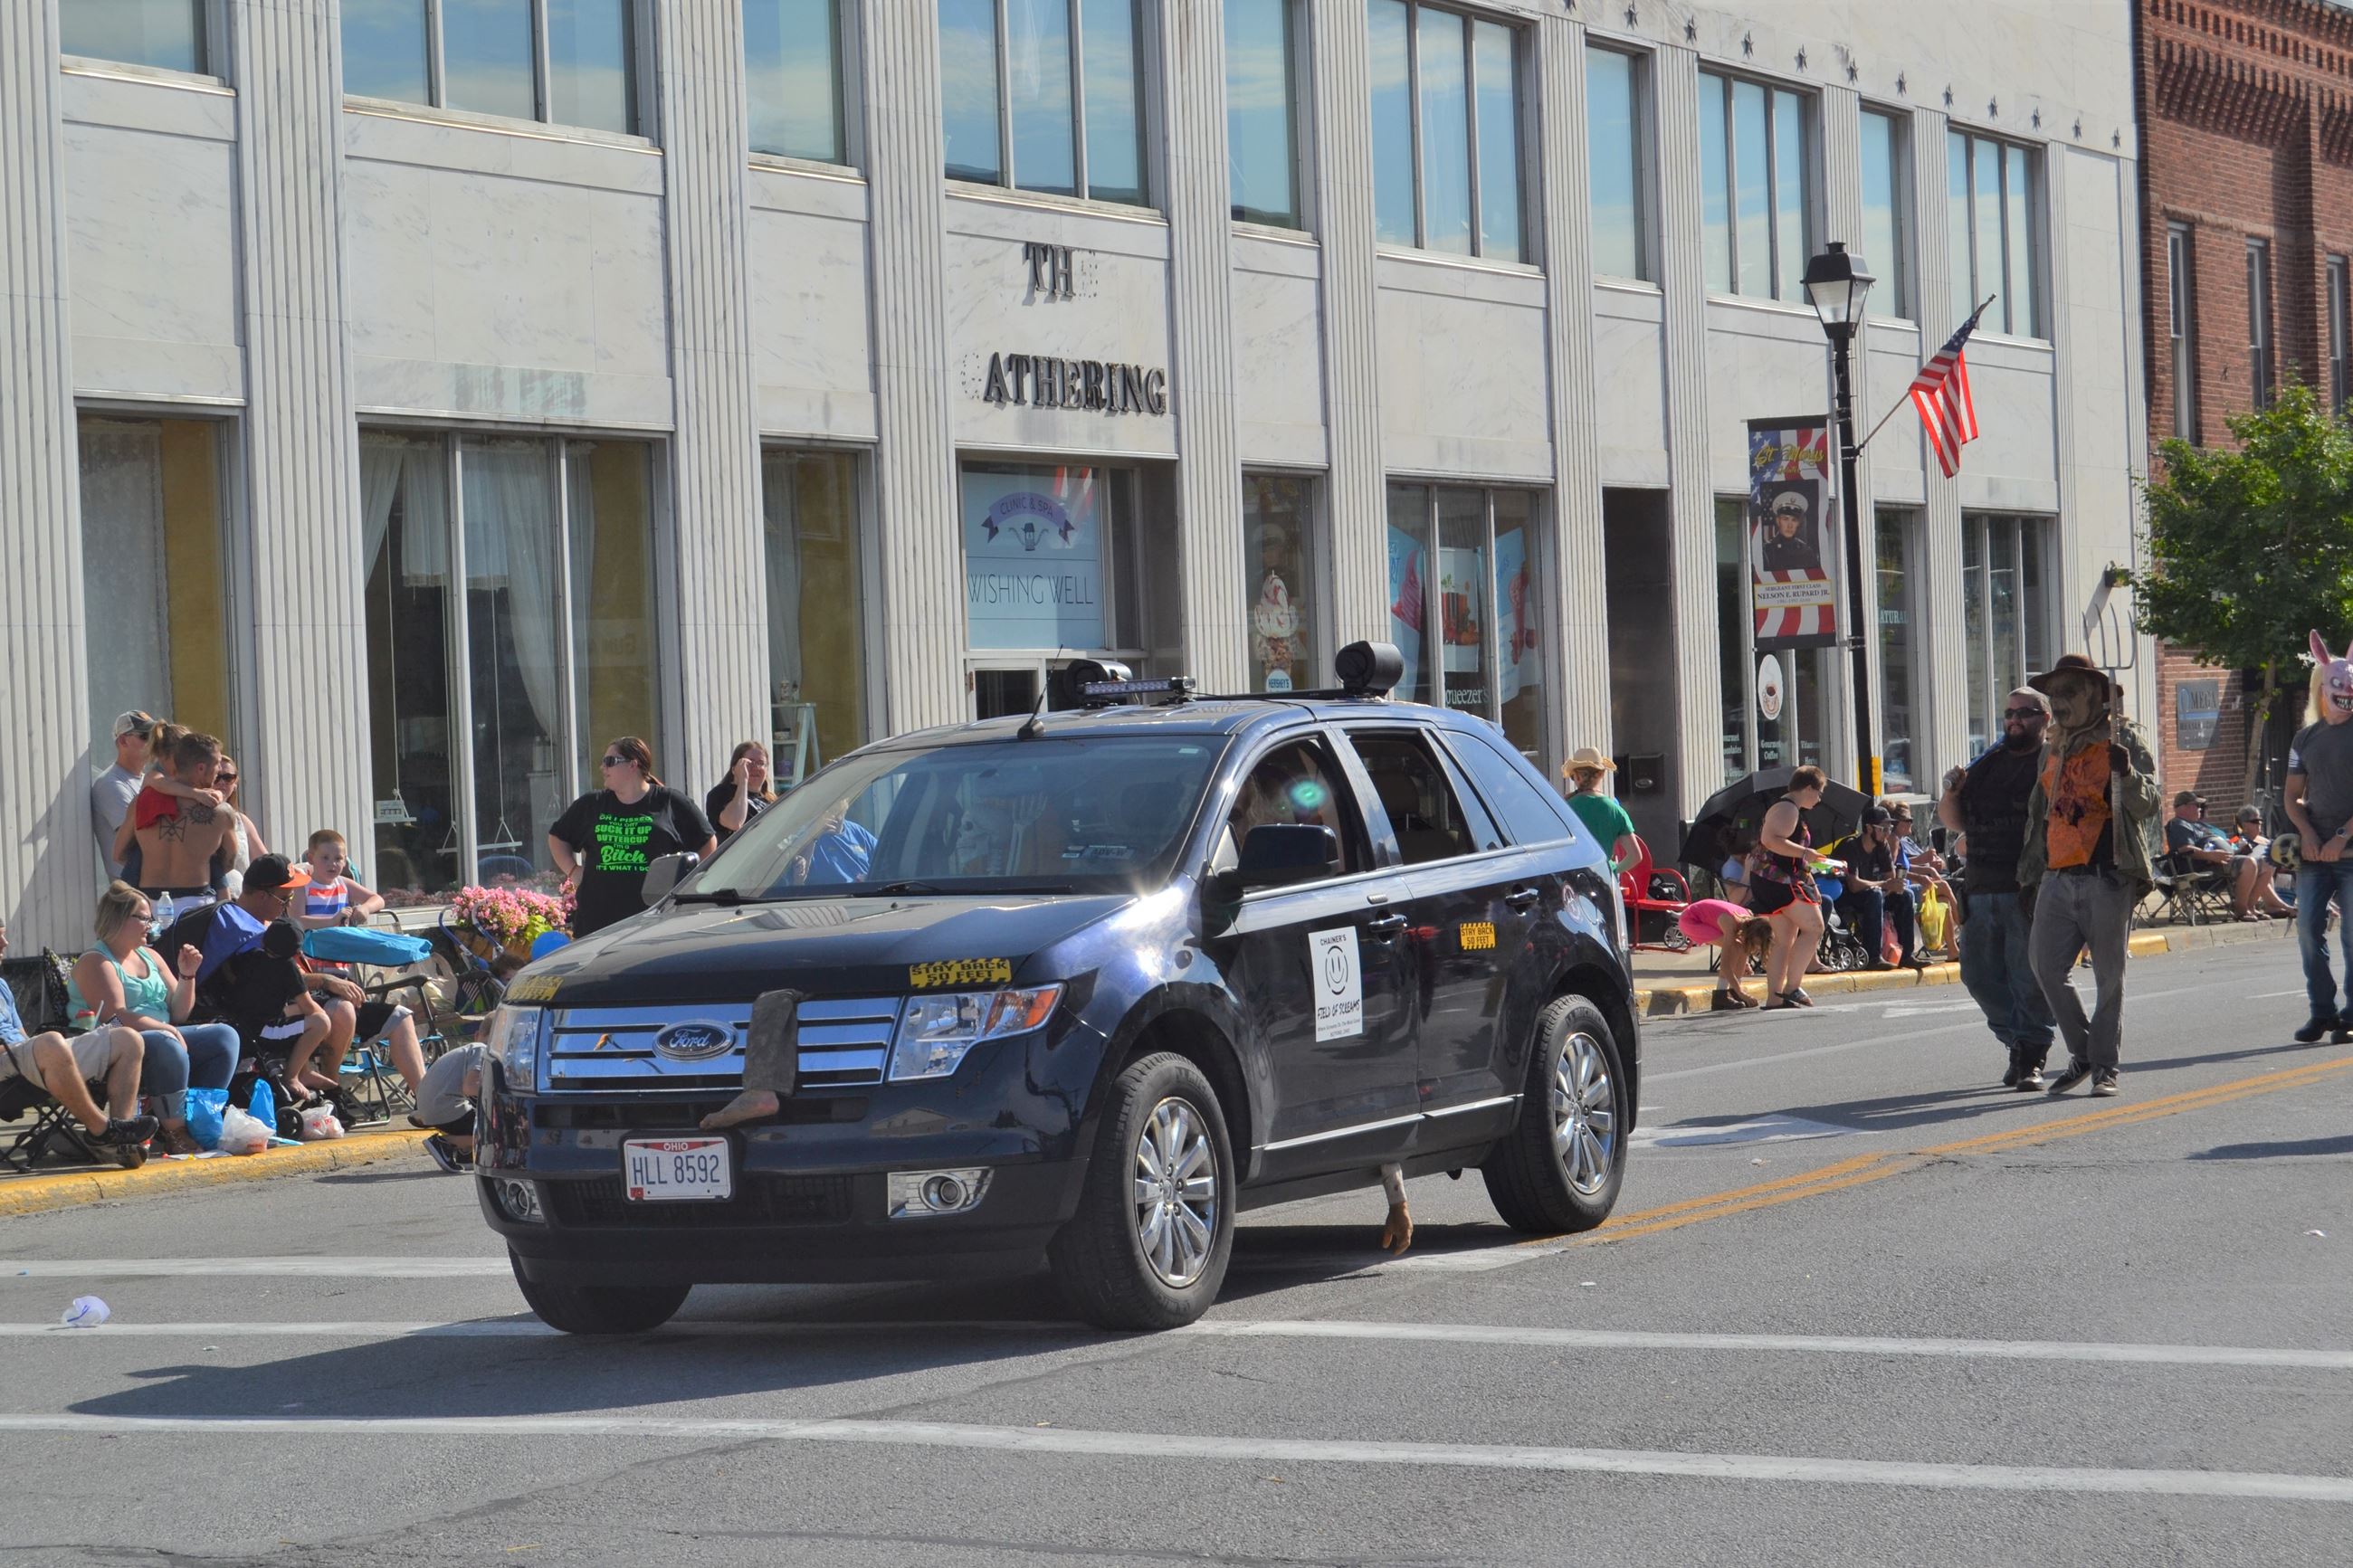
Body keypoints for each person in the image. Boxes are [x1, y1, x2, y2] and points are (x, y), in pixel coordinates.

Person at [2019, 654, 2160, 1098]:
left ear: (2097, 695)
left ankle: (2105, 1067)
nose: (2058, 703)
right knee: (2044, 966)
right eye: (2054, 694)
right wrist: (2029, 876)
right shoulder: (2052, 746)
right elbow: (2039, 814)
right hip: (2057, 875)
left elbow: (2150, 804)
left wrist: (2127, 772)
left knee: (2108, 977)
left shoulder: (2125, 738)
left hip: (2107, 873)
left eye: (2069, 693)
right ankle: (2083, 1052)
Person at [1939, 689, 2059, 1088]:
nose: (2014, 719)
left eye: (2023, 712)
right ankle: (2018, 1040)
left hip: (2028, 885)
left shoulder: (2053, 761)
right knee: (1978, 975)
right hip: (1981, 884)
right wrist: (1952, 792)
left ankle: (2031, 1051)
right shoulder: (1987, 763)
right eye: (2009, 713)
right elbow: (1956, 822)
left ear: (2044, 717)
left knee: (2027, 975)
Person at [65, 883, 240, 1156]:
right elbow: (117, 1017)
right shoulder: (96, 961)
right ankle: (175, 1132)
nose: (151, 924)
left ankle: (202, 1119)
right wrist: (166, 1028)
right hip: (115, 1042)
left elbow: (180, 1012)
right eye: (144, 917)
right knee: (165, 1042)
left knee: (224, 1036)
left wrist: (187, 975)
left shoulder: (151, 956)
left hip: (162, 1035)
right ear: (119, 918)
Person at [0, 916, 153, 1148]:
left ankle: (122, 1140)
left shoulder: (2, 986)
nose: (5, 943)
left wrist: (53, 1048)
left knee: (127, 1038)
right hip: (5, 1068)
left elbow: (23, 1038)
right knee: (51, 1041)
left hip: (25, 1059)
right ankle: (102, 1130)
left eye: (4, 935)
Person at [548, 736, 717, 938]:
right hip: (597, 922)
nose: (603, 767)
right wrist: (573, 870)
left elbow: (707, 842)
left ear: (633, 765)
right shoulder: (592, 804)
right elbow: (557, 837)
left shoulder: (669, 801)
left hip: (653, 922)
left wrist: (687, 883)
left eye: (610, 761)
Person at [2285, 630, 2353, 1043]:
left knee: (2352, 937)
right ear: (2322, 687)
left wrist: (2341, 836)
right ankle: (2322, 1012)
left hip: (2349, 851)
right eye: (2338, 682)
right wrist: (2308, 834)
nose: (2346, 689)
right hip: (2315, 854)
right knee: (2309, 932)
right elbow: (2292, 797)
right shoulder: (2303, 738)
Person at [115, 729, 235, 916]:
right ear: (201, 768)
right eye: (217, 765)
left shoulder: (141, 803)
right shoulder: (221, 812)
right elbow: (228, 862)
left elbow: (119, 854)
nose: (219, 771)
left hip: (147, 907)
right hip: (198, 906)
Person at [1750, 766, 1843, 1009]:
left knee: (1785, 939)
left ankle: (1774, 998)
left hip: (1771, 879)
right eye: (1819, 792)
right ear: (1809, 787)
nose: (1820, 798)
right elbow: (1771, 841)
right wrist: (1806, 853)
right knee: (1814, 927)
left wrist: (1808, 869)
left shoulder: (1788, 808)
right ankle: (1792, 987)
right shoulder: (1787, 809)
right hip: (1778, 880)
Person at [2166, 791, 2287, 920]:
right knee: (2249, 863)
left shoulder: (2201, 826)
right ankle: (2241, 910)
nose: (2200, 809)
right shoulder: (2179, 824)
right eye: (2196, 805)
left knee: (2267, 864)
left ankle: (2251, 907)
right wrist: (2210, 855)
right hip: (2203, 868)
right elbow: (2185, 849)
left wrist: (2236, 849)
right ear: (2183, 807)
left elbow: (2229, 841)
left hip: (2222, 861)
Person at [1837, 805, 1920, 970]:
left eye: (1889, 829)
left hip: (1872, 893)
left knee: (1906, 895)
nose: (1887, 833)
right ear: (1868, 828)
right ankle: (1873, 956)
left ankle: (1906, 955)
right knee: (1874, 895)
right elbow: (1853, 885)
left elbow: (1890, 878)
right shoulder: (1851, 846)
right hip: (1847, 897)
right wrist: (1883, 885)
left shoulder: (1882, 847)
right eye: (1883, 829)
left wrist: (1896, 885)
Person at [1677, 895, 1775, 1010]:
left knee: (1741, 947)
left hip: (1705, 918)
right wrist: (1742, 992)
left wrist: (1745, 963)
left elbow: (1744, 946)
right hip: (1690, 921)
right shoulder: (1730, 923)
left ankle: (1733, 993)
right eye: (1754, 944)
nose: (1754, 949)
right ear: (1750, 935)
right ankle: (1721, 995)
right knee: (1736, 946)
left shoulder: (1748, 921)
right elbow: (1725, 965)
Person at [90, 710, 156, 881]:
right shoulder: (111, 784)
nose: (152, 742)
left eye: (154, 737)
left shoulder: (146, 780)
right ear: (123, 740)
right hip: (131, 889)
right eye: (144, 736)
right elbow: (135, 838)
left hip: (149, 884)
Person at [1561, 747, 1639, 876]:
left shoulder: (1565, 808)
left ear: (1577, 776)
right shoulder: (1616, 811)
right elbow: (1635, 856)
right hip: (1604, 880)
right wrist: (1613, 870)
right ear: (1601, 774)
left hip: (1574, 878)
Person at [410, 1041, 485, 1173]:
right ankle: (445, 1143)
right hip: (444, 1108)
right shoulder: (482, 1049)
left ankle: (465, 1155)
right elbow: (471, 1088)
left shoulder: (467, 1050)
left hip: (428, 1106)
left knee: (478, 1115)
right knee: (495, 1130)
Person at [210, 753, 267, 898]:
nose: (222, 782)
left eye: (228, 778)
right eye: (217, 776)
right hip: (209, 897)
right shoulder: (198, 817)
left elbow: (264, 862)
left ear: (235, 783)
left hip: (240, 899)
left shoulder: (242, 821)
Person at [707, 741, 777, 845]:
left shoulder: (770, 799)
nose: (756, 768)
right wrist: (743, 780)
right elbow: (735, 822)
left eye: (761, 763)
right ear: (735, 768)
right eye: (749, 763)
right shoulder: (720, 794)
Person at [1758, 490, 1824, 574]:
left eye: (1794, 520)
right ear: (1778, 521)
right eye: (1785, 519)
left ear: (1798, 523)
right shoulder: (1767, 551)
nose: (1790, 525)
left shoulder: (1807, 551)